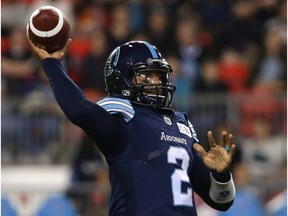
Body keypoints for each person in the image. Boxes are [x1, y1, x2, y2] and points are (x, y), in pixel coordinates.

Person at [27, 37, 236, 215]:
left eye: (158, 75)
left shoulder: (180, 124)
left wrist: (222, 175)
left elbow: (221, 201)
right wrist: (52, 64)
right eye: (146, 75)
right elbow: (79, 109)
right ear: (122, 81)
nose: (156, 82)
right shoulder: (124, 120)